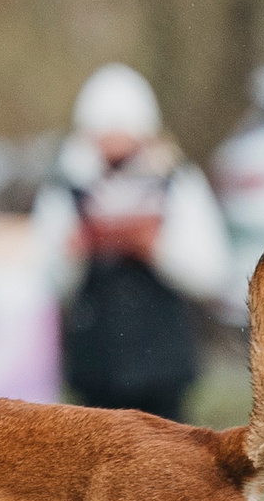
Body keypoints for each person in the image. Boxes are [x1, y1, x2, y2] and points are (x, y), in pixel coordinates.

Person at [29, 63, 230, 422]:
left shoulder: (177, 181)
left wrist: (154, 248)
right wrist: (75, 251)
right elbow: (45, 278)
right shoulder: (65, 187)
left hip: (164, 368)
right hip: (96, 369)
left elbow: (212, 270)